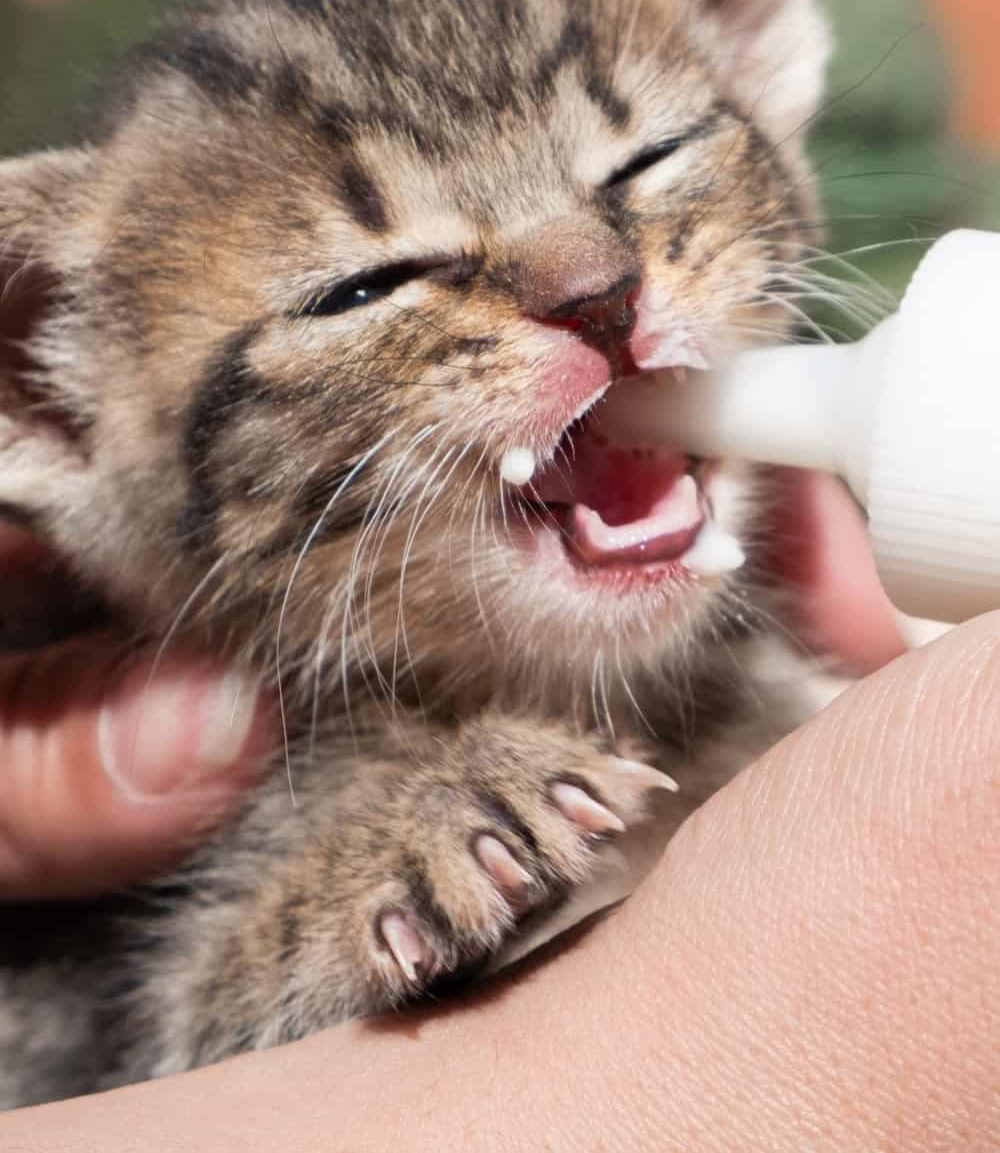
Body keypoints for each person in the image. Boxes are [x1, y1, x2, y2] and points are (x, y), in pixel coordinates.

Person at [3, 475, 997, 1148]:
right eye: (364, 289)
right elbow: (199, 1052)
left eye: (648, 161)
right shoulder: (303, 725)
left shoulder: (771, 603)